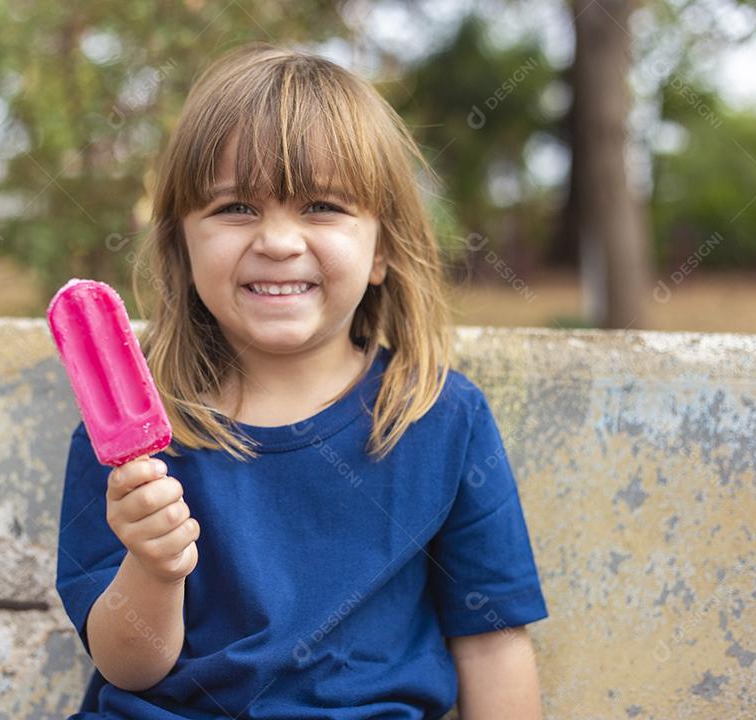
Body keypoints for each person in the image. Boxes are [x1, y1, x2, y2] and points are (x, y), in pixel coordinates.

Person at [56, 41, 549, 720]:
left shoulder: (441, 418)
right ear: (182, 247)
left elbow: (492, 645)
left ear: (383, 251)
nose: (279, 241)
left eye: (321, 206)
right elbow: (129, 664)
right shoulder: (131, 448)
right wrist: (154, 566)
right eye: (235, 208)